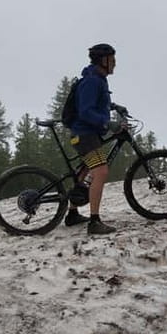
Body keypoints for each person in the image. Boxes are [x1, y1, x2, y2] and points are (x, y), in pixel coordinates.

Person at [66, 43, 128, 235]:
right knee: (100, 171)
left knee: (85, 169)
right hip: (84, 135)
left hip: (88, 134)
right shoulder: (92, 81)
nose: (115, 64)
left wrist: (114, 106)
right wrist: (108, 124)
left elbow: (97, 103)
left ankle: (72, 213)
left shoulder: (98, 79)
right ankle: (94, 222)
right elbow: (86, 111)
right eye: (113, 60)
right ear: (104, 60)